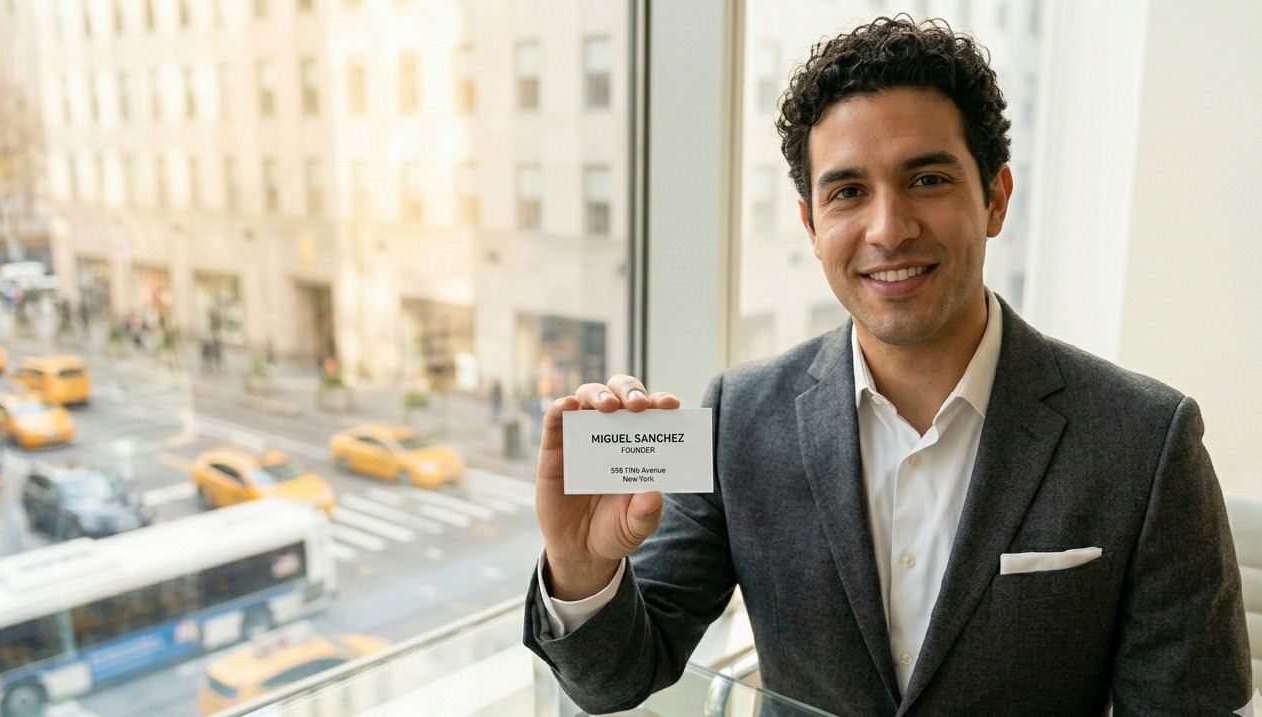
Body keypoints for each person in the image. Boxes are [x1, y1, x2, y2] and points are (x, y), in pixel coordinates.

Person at [523, 17, 1250, 717]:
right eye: (847, 192)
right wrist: (582, 568)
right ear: (811, 225)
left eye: (927, 180)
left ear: (995, 198)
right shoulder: (737, 418)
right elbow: (616, 678)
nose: (888, 229)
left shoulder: (1147, 441)